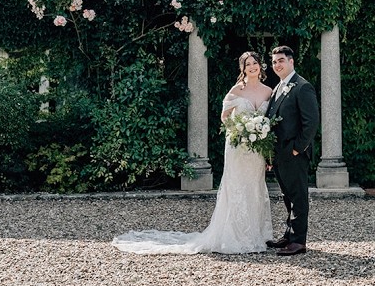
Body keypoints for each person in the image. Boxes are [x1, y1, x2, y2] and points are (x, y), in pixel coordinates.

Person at [111, 51, 274, 254]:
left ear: (261, 66)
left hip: (256, 150)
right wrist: (240, 130)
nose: (252, 67)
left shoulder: (269, 92)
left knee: (255, 187)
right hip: (238, 147)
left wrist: (262, 142)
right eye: (247, 64)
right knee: (237, 187)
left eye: (255, 63)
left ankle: (256, 234)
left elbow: (270, 121)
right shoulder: (236, 90)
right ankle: (237, 235)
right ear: (242, 69)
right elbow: (225, 117)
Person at [264, 44, 319, 256]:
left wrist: (297, 149)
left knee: (298, 196)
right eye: (274, 61)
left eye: (281, 61)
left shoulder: (302, 87)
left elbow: (311, 122)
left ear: (291, 62)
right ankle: (289, 236)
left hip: (294, 153)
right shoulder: (278, 87)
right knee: (288, 196)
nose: (277, 65)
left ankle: (298, 241)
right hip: (279, 154)